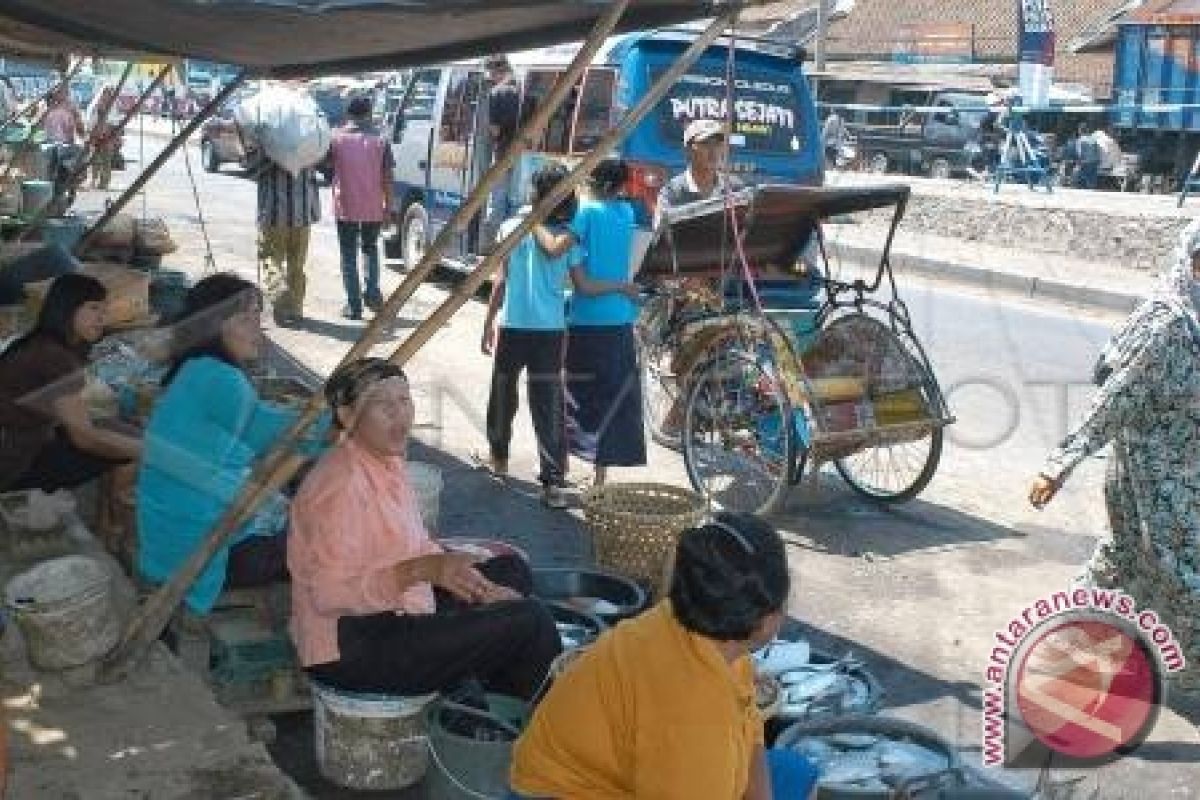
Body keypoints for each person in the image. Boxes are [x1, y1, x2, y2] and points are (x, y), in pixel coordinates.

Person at [288, 357, 561, 699]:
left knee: (510, 572)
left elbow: (414, 544)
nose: (400, 415)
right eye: (384, 405)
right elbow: (329, 595)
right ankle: (532, 723)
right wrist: (421, 570)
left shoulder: (385, 460)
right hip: (350, 647)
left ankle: (490, 695)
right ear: (347, 416)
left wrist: (481, 589)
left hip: (394, 608)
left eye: (405, 401)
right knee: (529, 621)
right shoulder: (340, 486)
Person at [510, 512, 820, 799]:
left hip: (627, 773)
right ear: (765, 621)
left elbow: (750, 726)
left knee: (797, 771)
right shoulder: (694, 719)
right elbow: (692, 749)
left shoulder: (699, 626)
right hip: (555, 792)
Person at [1030, 219, 1200, 697]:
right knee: (1184, 577)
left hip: (1186, 473)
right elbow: (1116, 397)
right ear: (1193, 262)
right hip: (1153, 478)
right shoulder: (1167, 324)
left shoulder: (1196, 316)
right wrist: (1060, 462)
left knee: (1119, 564)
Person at [137, 273, 321, 614]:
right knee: (328, 536)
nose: (257, 328)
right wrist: (334, 418)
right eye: (245, 317)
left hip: (165, 540)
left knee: (292, 502)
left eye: (257, 316)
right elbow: (280, 436)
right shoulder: (225, 381)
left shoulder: (193, 369)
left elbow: (261, 429)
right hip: (201, 555)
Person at [532, 158, 645, 486]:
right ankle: (598, 479)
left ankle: (561, 471)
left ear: (594, 183)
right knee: (611, 400)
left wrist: (534, 219)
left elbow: (557, 252)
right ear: (620, 186)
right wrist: (623, 286)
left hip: (588, 320)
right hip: (621, 320)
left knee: (577, 398)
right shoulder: (627, 214)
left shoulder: (585, 213)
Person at [479, 163, 580, 508]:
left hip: (514, 327)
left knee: (503, 396)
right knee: (547, 404)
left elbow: (501, 279)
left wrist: (488, 320)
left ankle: (499, 459)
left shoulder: (512, 226)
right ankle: (552, 484)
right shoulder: (569, 235)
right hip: (549, 331)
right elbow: (573, 283)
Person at [0, 274, 141, 496]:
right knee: (128, 451)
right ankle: (113, 526)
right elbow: (84, 438)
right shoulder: (54, 356)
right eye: (94, 308)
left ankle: (107, 522)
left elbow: (93, 407)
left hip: (26, 437)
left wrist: (126, 428)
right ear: (67, 308)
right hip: (13, 463)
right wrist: (147, 451)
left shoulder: (42, 341)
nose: (102, 319)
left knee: (123, 432)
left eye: (104, 311)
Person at [329, 95, 394, 320]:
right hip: (373, 206)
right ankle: (373, 294)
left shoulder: (336, 139)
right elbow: (387, 177)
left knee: (348, 255)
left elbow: (326, 167)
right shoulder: (381, 141)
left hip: (345, 205)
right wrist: (389, 207)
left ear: (349, 114)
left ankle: (354, 306)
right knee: (370, 248)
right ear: (369, 114)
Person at [253, 151, 321, 327]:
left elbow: (252, 167)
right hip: (302, 215)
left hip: (274, 215)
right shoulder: (309, 143)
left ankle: (278, 291)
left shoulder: (271, 142)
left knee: (270, 258)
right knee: (297, 265)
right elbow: (315, 175)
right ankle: (296, 309)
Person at [483, 55, 522, 247]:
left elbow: (495, 130)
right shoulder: (523, 88)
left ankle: (494, 246)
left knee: (497, 200)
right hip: (523, 155)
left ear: (494, 71)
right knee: (515, 200)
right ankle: (512, 243)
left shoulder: (496, 92)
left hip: (502, 153)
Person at [85, 84, 121, 191]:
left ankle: (104, 182)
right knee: (94, 159)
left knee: (106, 160)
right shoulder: (95, 106)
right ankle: (93, 180)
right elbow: (90, 121)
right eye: (107, 93)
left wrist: (115, 135)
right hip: (96, 136)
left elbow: (115, 121)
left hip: (108, 136)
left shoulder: (113, 107)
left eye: (111, 94)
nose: (109, 96)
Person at [1074, 124, 1100, 190]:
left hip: (1085, 162)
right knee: (1092, 180)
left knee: (1079, 177)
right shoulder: (1093, 139)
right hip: (1094, 162)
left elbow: (1080, 153)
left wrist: (1079, 162)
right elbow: (1097, 150)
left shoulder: (1080, 140)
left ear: (1080, 131)